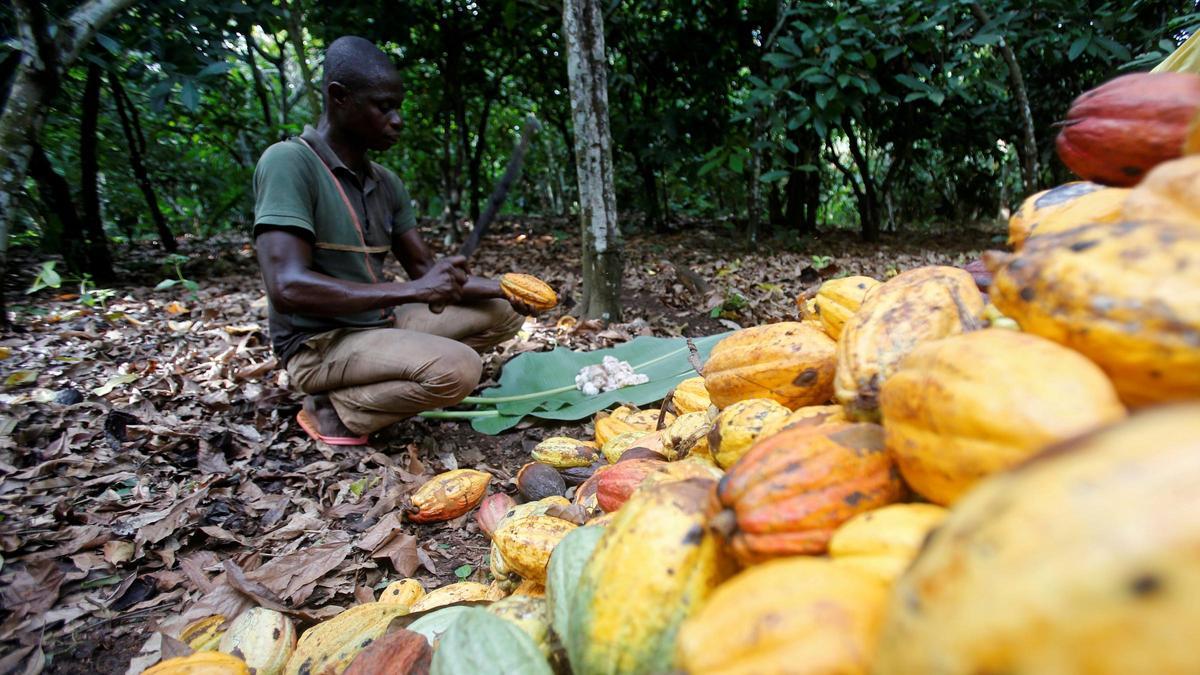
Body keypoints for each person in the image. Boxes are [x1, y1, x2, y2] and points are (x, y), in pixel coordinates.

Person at [252, 36, 527, 445]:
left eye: (398, 107)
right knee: (459, 370)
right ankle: (335, 410)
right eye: (384, 107)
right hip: (319, 343)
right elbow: (287, 286)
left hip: (377, 321)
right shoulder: (289, 163)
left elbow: (426, 275)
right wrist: (413, 291)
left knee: (505, 311)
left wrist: (514, 289)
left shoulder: (386, 183)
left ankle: (387, 377)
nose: (397, 120)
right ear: (339, 97)